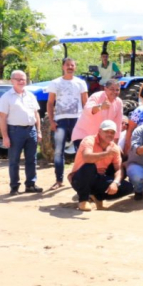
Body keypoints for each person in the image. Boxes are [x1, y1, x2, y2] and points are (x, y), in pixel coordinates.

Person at [68, 120, 133, 211]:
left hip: (99, 177)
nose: (109, 134)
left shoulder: (114, 147)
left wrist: (115, 183)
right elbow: (87, 158)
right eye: (106, 131)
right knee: (89, 166)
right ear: (99, 131)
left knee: (128, 187)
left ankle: (98, 197)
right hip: (80, 178)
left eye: (112, 132)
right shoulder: (89, 140)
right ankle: (83, 200)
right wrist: (106, 154)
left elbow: (118, 169)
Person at [47, 57, 89, 190]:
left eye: (72, 65)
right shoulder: (55, 83)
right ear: (63, 67)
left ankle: (80, 177)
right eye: (67, 65)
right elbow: (49, 103)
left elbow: (86, 103)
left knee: (81, 150)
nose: (70, 67)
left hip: (78, 120)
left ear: (75, 67)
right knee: (58, 151)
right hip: (61, 120)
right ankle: (59, 180)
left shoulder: (81, 83)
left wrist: (87, 120)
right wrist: (52, 121)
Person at [0, 70, 43, 195]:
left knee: (32, 159)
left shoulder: (30, 95)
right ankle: (14, 187)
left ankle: (30, 184)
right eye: (18, 79)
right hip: (15, 132)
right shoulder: (6, 97)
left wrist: (38, 131)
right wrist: (5, 137)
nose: (21, 81)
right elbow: (2, 118)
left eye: (23, 79)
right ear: (12, 80)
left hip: (31, 131)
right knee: (14, 161)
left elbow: (36, 114)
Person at [71, 79, 124, 149]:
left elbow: (117, 125)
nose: (115, 92)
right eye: (112, 89)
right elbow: (88, 110)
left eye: (117, 90)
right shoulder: (96, 96)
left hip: (101, 139)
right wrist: (100, 107)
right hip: (84, 135)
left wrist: (115, 145)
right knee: (86, 159)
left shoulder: (119, 102)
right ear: (105, 89)